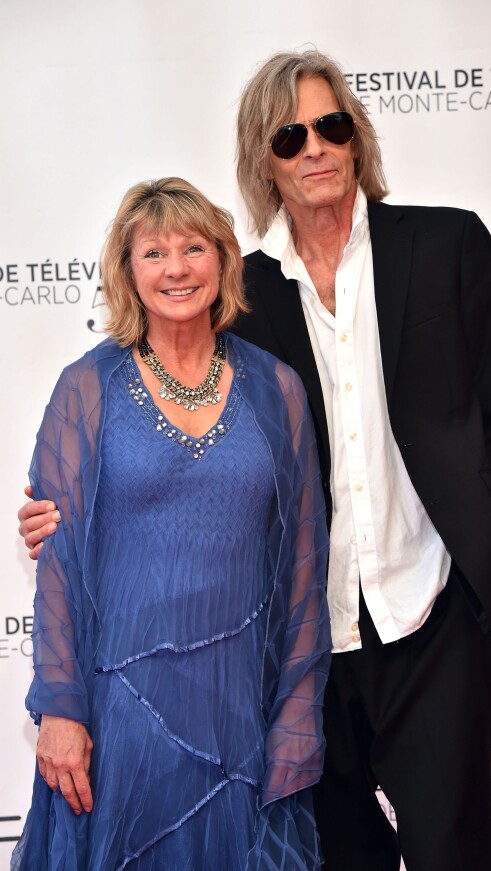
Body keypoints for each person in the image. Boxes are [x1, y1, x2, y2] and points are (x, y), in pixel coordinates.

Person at [19, 49, 491, 871]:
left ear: (356, 137)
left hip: (430, 619)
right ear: (266, 163)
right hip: (303, 656)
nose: (314, 148)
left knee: (457, 852)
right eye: (289, 137)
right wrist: (63, 516)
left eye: (330, 125)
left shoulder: (446, 245)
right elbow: (170, 462)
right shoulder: (247, 302)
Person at [13, 177, 331, 871]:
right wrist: (63, 708)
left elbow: (306, 560)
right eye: (153, 252)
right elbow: (59, 566)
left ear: (223, 261)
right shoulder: (86, 388)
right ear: (128, 273)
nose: (177, 267)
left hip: (239, 714)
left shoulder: (276, 388)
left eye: (193, 247)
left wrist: (298, 713)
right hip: (122, 717)